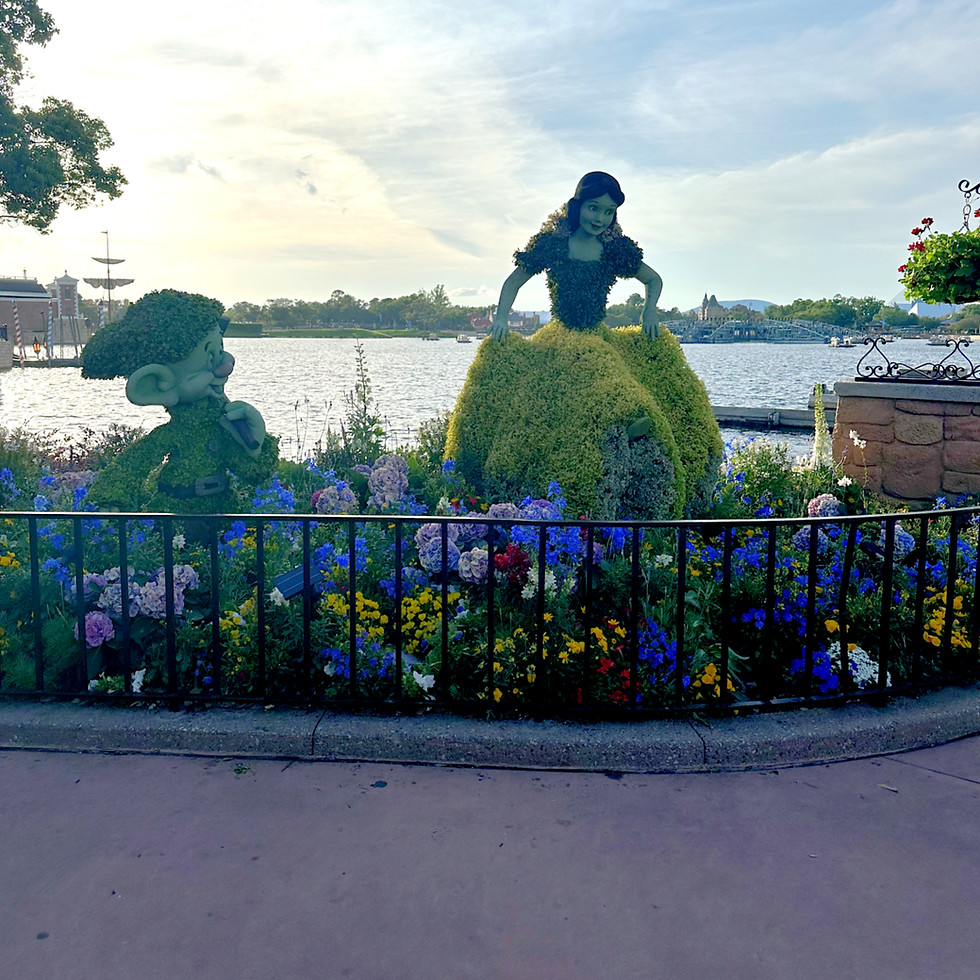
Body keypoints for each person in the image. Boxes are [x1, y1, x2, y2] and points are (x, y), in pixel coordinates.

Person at [490, 172, 663, 340]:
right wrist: (500, 319)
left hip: (597, 339)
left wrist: (649, 311)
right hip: (559, 338)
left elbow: (653, 279)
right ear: (578, 206)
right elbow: (513, 282)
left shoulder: (615, 250)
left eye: (608, 212)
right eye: (593, 208)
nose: (600, 219)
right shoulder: (553, 244)